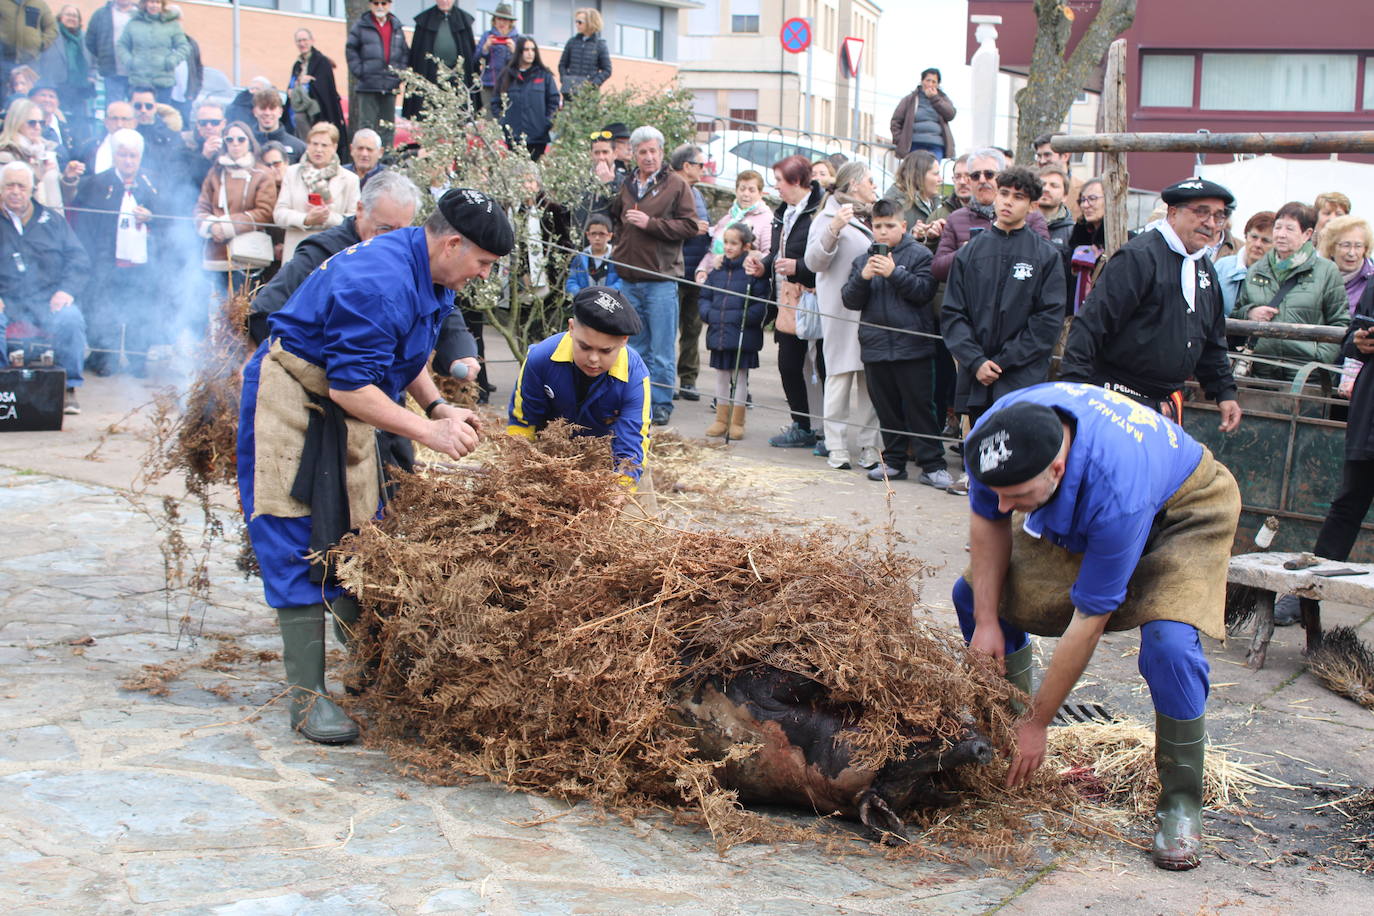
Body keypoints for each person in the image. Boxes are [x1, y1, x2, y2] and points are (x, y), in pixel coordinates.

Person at [240, 188, 509, 745]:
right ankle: (308, 699)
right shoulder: (379, 282)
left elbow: (403, 354)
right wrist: (427, 430)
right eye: (483, 263)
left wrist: (436, 402)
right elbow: (351, 385)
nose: (484, 274)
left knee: (359, 534)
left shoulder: (428, 268)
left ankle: (367, 663)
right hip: (295, 399)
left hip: (344, 408)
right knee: (295, 534)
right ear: (454, 243)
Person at [955, 382, 1241, 870]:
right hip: (1097, 494)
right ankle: (1006, 737)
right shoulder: (995, 440)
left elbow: (1089, 618)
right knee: (973, 596)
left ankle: (1181, 804)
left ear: (1057, 468)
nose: (1004, 506)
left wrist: (1041, 721)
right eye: (997, 493)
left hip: (1184, 508)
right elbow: (989, 521)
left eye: (1016, 496)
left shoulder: (1116, 490)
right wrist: (986, 621)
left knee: (1169, 645)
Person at [1060, 178, 1242, 431]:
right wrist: (1074, 394)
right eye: (1201, 212)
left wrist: (1224, 392)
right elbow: (1090, 325)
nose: (1210, 223)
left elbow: (1211, 339)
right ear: (1173, 212)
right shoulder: (1139, 257)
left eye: (1218, 216)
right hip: (1117, 399)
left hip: (1167, 401)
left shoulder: (1204, 268)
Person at [942, 167, 1066, 431]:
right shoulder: (970, 252)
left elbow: (1047, 321)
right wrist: (976, 361)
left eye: (1018, 197)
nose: (1008, 201)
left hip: (1021, 376)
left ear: (1032, 205)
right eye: (1004, 193)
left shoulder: (1046, 256)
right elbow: (953, 313)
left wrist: (1003, 361)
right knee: (980, 449)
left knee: (1017, 456)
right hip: (977, 375)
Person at [840, 196, 946, 486]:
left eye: (889, 225)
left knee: (920, 407)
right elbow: (849, 300)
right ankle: (894, 463)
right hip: (875, 347)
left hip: (913, 348)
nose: (883, 231)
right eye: (878, 226)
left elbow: (924, 291)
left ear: (903, 225)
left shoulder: (921, 256)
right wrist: (863, 277)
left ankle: (933, 464)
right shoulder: (863, 260)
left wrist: (894, 273)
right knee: (886, 409)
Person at [249, 168, 420, 343]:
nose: (391, 240)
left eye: (401, 232)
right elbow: (265, 310)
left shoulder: (407, 257)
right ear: (360, 210)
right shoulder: (322, 253)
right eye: (384, 229)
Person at [507, 284, 649, 487]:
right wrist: (517, 469)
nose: (593, 359)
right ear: (571, 328)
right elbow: (522, 423)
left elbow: (632, 446)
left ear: (624, 340)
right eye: (585, 346)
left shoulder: (635, 376)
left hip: (605, 464)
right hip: (548, 458)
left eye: (605, 351)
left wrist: (620, 488)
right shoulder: (540, 359)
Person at [609, 124, 699, 427]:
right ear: (634, 154)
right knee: (634, 347)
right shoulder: (627, 184)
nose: (649, 157)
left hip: (661, 279)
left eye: (653, 151)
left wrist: (651, 223)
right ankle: (636, 401)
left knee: (661, 349)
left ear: (661, 152)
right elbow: (619, 221)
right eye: (643, 151)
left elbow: (690, 226)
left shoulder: (676, 184)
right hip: (628, 277)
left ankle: (661, 404)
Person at [805, 160, 882, 471]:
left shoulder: (871, 216)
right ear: (854, 186)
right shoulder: (826, 216)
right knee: (839, 377)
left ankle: (868, 446)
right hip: (840, 311)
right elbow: (813, 263)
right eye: (871, 182)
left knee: (869, 380)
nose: (874, 188)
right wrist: (834, 229)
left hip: (870, 311)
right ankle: (836, 447)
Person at [744, 153, 825, 449]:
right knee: (789, 365)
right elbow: (780, 253)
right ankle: (802, 425)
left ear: (797, 181)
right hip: (786, 302)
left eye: (780, 181)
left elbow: (822, 256)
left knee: (821, 369)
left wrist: (798, 267)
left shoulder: (818, 211)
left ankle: (826, 429)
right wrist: (764, 265)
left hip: (814, 300)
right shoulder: (785, 211)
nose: (775, 187)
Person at [69, 126, 163, 376]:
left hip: (142, 265)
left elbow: (168, 221)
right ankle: (103, 360)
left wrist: (151, 218)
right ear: (114, 156)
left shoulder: (152, 183)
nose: (128, 161)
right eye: (123, 155)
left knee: (139, 313)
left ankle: (137, 361)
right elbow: (85, 227)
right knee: (103, 312)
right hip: (106, 261)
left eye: (133, 156)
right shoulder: (97, 184)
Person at [0, 160, 88, 414]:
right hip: (7, 299)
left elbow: (78, 259)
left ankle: (68, 387)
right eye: (9, 186)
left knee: (71, 318)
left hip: (47, 298)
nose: (15, 191)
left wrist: (66, 291)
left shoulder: (53, 221)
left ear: (32, 190)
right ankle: (3, 387)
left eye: (21, 186)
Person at [1233, 200, 1349, 382]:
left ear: (1307, 234)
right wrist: (1249, 313)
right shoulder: (1257, 269)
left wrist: (1319, 358)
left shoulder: (1326, 271)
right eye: (1278, 227)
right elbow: (1236, 314)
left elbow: (1340, 322)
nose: (1281, 234)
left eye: (1289, 229)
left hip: (1307, 377)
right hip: (1259, 373)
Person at [931, 148, 1049, 282]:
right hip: (972, 299)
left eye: (989, 174)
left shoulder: (1031, 216)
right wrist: (967, 252)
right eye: (975, 175)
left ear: (1002, 176)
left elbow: (1045, 263)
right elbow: (938, 270)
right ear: (970, 181)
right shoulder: (956, 218)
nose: (982, 180)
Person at [698, 222, 769, 440]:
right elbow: (705, 296)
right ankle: (721, 419)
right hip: (719, 331)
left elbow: (760, 304)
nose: (728, 247)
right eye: (725, 242)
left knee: (739, 378)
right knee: (720, 377)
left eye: (733, 243)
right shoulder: (717, 270)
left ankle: (737, 421)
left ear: (745, 246)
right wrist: (709, 314)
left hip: (741, 334)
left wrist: (742, 319)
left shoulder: (752, 272)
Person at [193, 120, 277, 292]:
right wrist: (212, 227)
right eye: (229, 140)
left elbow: (265, 212)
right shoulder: (215, 172)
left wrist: (228, 226)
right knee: (218, 311)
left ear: (249, 142)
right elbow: (201, 207)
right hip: (216, 253)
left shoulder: (262, 174)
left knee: (245, 312)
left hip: (248, 254)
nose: (235, 144)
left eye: (241, 139)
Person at [273, 121, 359, 263]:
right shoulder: (292, 172)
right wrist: (306, 219)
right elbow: (279, 214)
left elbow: (354, 220)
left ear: (334, 147)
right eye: (314, 144)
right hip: (297, 252)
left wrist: (328, 218)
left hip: (332, 252)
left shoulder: (350, 179)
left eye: (324, 145)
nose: (318, 149)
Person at [671, 143, 709, 402]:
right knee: (666, 331)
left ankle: (688, 381)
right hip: (673, 271)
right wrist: (691, 229)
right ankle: (662, 383)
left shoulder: (697, 192)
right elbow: (667, 226)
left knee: (692, 329)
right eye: (700, 164)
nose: (703, 169)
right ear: (687, 166)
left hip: (696, 272)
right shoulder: (670, 189)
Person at [345, 0, 407, 149]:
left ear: (390, 5)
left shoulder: (396, 27)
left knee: (388, 127)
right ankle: (365, 159)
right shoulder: (361, 25)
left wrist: (399, 75)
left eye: (384, 3)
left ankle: (386, 161)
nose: (380, 6)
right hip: (368, 84)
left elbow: (404, 53)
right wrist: (361, 72)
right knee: (366, 127)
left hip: (390, 84)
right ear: (370, 5)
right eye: (376, 2)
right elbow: (351, 50)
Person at [0, 96, 78, 211]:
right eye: (32, 123)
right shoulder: (6, 155)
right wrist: (38, 175)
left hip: (52, 222)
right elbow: (9, 198)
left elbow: (64, 198)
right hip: (24, 223)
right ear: (17, 123)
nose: (37, 127)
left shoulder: (47, 151)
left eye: (41, 122)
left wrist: (68, 178)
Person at [404, 0, 477, 121]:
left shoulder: (463, 20)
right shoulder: (425, 20)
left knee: (459, 115)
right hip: (430, 76)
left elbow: (470, 55)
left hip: (457, 77)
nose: (444, 1)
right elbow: (417, 54)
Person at [490, 35, 558, 161]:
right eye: (526, 50)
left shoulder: (544, 75)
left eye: (533, 50)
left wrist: (546, 122)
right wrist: (502, 122)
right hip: (513, 136)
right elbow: (496, 101)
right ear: (519, 52)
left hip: (537, 137)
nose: (530, 53)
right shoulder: (506, 75)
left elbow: (553, 101)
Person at [288, 29, 347, 162]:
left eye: (304, 40)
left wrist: (310, 84)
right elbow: (292, 85)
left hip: (318, 112)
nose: (302, 43)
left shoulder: (321, 62)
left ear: (311, 41)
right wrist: (296, 86)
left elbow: (325, 88)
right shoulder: (297, 65)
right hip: (300, 109)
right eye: (299, 41)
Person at [113, 0, 184, 104]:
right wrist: (129, 61)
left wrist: (172, 60)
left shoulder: (172, 24)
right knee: (138, 114)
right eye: (151, 2)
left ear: (162, 5)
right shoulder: (134, 23)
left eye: (158, 2)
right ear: (145, 4)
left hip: (163, 82)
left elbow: (183, 46)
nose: (154, 5)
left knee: (161, 117)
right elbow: (122, 45)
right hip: (139, 81)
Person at [37, 6, 92, 126]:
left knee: (79, 123)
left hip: (79, 89)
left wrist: (91, 76)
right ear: (60, 17)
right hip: (57, 86)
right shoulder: (52, 34)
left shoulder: (84, 37)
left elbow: (93, 59)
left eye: (75, 16)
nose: (72, 18)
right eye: (68, 15)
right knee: (59, 119)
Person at [1213, 210, 1274, 315]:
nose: (1257, 244)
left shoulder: (1278, 275)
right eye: (1254, 237)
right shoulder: (1222, 267)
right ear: (1246, 236)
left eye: (1265, 240)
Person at [889, 67, 955, 159]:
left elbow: (951, 114)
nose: (930, 84)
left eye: (934, 82)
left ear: (938, 84)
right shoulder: (910, 99)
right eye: (928, 80)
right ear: (922, 81)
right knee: (915, 172)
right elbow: (896, 121)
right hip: (914, 144)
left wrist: (934, 98)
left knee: (931, 171)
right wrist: (900, 140)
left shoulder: (943, 99)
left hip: (936, 144)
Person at [1319, 215, 1374, 317]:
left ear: (1365, 249)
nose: (1352, 253)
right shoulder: (1316, 277)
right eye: (1346, 245)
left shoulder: (1371, 281)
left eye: (1358, 246)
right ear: (1331, 248)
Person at [84, 0, 135, 104]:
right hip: (112, 72)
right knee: (113, 108)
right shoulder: (101, 14)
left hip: (138, 73)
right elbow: (90, 40)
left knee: (138, 109)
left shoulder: (141, 15)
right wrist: (103, 56)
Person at [0, 0, 55, 93]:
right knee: (3, 93)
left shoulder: (40, 4)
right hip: (3, 59)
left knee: (28, 95)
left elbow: (52, 28)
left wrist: (42, 44)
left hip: (29, 61)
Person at [475, 2, 519, 113]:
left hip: (510, 85)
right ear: (494, 20)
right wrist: (485, 47)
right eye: (499, 19)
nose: (502, 22)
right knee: (489, 118)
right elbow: (475, 59)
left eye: (505, 19)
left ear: (510, 22)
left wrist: (514, 51)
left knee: (508, 118)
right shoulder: (487, 35)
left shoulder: (518, 39)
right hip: (489, 84)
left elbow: (524, 64)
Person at [558, 8, 610, 97]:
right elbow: (562, 64)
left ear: (590, 22)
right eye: (576, 22)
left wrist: (593, 84)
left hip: (589, 94)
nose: (577, 24)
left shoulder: (600, 45)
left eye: (580, 22)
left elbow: (607, 70)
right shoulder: (572, 42)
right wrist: (565, 79)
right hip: (570, 91)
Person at [564, 212, 620, 294]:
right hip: (585, 301)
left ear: (609, 236)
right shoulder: (580, 258)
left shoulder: (616, 257)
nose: (597, 238)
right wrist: (580, 294)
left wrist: (607, 293)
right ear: (588, 235)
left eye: (602, 234)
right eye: (593, 234)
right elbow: (571, 281)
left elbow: (622, 282)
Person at [1033, 134, 1083, 220]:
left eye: (1047, 155)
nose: (1042, 161)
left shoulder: (1083, 191)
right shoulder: (1029, 188)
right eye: (1039, 156)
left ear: (1065, 156)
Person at [249, 87, 304, 164]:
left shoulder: (299, 148)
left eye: (272, 108)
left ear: (280, 112)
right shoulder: (244, 144)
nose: (267, 113)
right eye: (262, 108)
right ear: (254, 112)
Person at [1037, 165, 1074, 265]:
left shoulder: (1072, 233)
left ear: (1065, 196)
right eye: (1042, 184)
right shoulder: (1021, 224)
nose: (1046, 189)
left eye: (1054, 185)